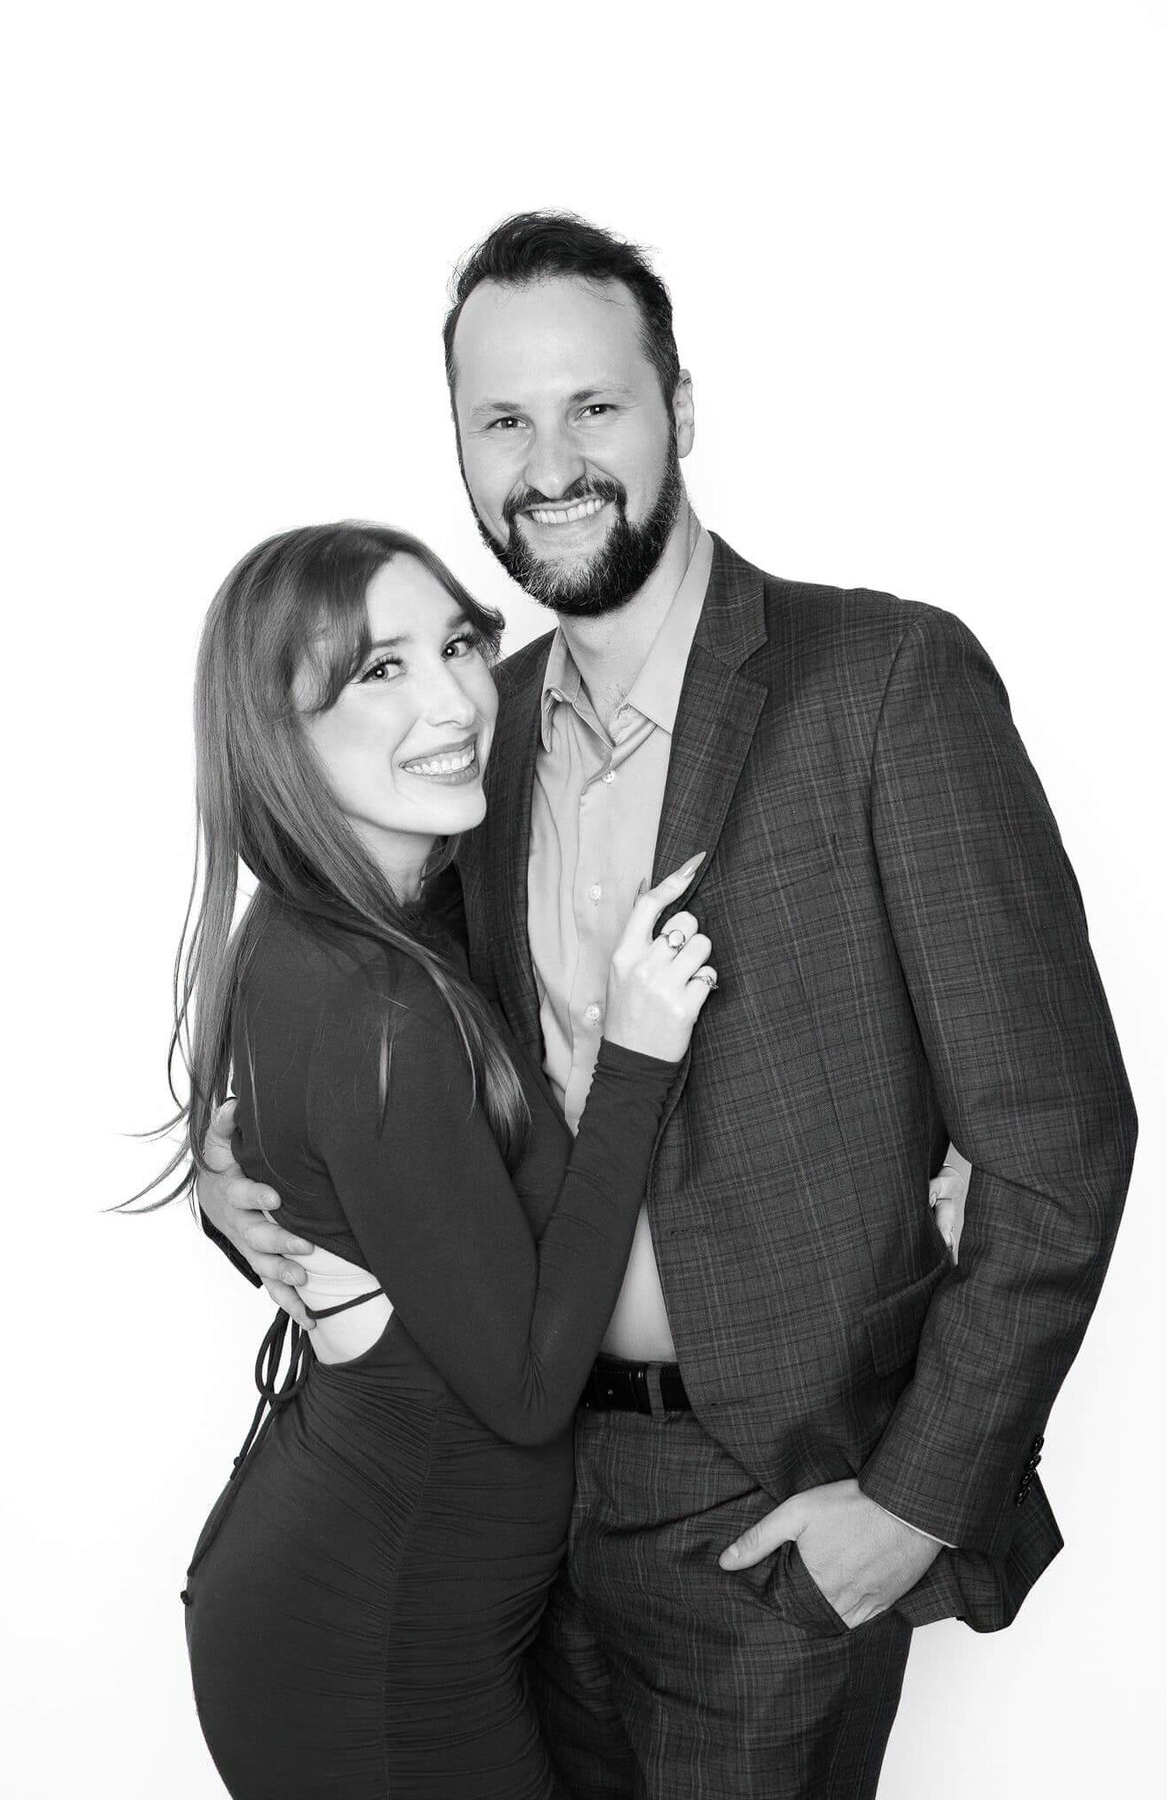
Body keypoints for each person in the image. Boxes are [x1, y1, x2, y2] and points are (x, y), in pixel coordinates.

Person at [200, 215, 1136, 1799]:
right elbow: (382, 1041)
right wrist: (251, 1190)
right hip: (515, 1517)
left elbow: (1060, 1146)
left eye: (595, 407)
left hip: (768, 1514)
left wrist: (910, 1502)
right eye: (503, 419)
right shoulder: (461, 739)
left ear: (680, 412)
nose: (550, 461)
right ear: (460, 449)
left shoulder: (885, 683)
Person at [155, 519, 719, 1799]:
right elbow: (525, 1388)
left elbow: (331, 1185)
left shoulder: (331, 928)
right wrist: (637, 1062)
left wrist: (225, 1198)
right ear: (275, 734)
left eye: (457, 643)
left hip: (377, 1597)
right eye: (378, 671)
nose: (458, 696)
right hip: (373, 1647)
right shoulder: (377, 1006)